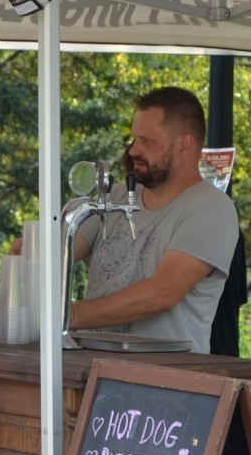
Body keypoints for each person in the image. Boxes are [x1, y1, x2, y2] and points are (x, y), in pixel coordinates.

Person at [70, 87, 239, 353]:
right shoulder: (116, 196)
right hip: (89, 372)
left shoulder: (212, 208)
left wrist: (68, 315)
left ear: (184, 144)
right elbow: (63, 249)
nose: (134, 149)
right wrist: (34, 249)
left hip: (163, 383)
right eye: (135, 138)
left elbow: (162, 294)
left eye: (147, 141)